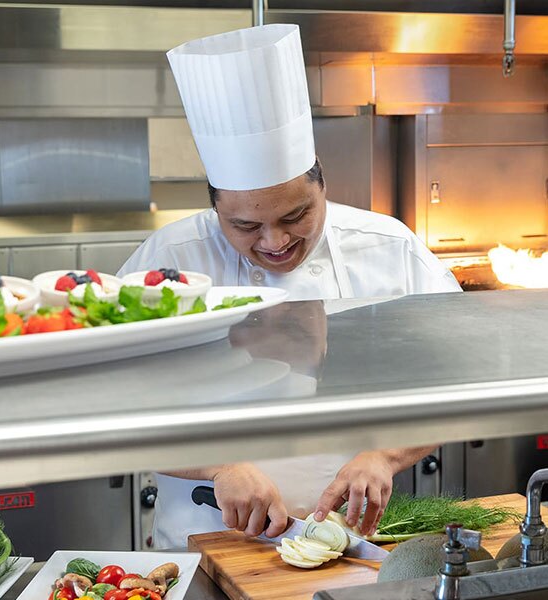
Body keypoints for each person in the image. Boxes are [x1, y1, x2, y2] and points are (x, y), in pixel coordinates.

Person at [118, 24, 461, 549]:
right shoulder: (167, 264)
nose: (275, 242)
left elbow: (459, 381)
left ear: (323, 185)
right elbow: (109, 410)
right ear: (215, 208)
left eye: (296, 215)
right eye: (246, 227)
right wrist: (218, 465)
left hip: (352, 545)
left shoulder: (389, 249)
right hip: (203, 545)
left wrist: (386, 454)